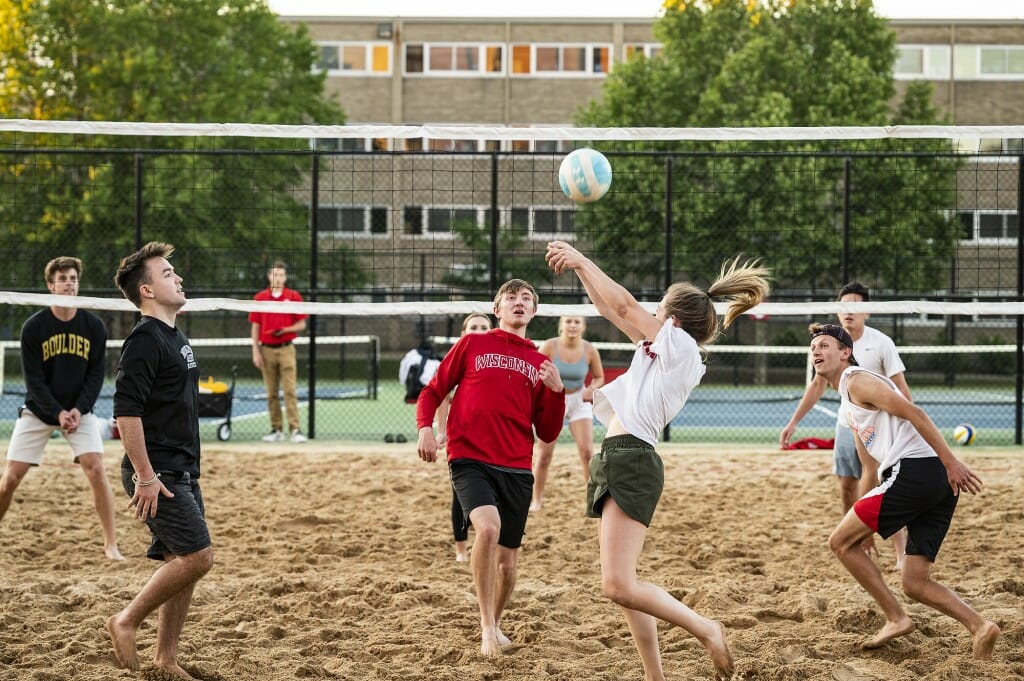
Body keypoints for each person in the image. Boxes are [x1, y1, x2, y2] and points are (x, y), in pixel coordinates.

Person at [546, 240, 769, 681]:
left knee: (618, 585)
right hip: (619, 457)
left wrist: (582, 259)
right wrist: (581, 272)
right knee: (625, 586)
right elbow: (614, 311)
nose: (651, 314)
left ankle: (707, 629)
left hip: (632, 459)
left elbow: (626, 306)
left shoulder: (681, 348)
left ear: (672, 319)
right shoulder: (659, 349)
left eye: (658, 310)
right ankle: (654, 675)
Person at [810, 323, 1000, 660]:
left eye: (824, 345)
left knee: (838, 543)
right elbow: (869, 468)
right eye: (813, 347)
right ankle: (981, 626)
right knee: (915, 582)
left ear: (845, 352)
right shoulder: (848, 402)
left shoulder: (857, 379)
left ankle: (896, 618)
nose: (816, 351)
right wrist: (863, 527)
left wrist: (952, 462)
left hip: (918, 471)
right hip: (934, 483)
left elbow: (915, 411)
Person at [415, 281, 566, 657]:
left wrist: (557, 390)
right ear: (497, 309)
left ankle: (495, 623)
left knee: (508, 567)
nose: (519, 302)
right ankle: (486, 626)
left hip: (516, 466)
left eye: (527, 298)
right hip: (470, 458)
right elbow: (432, 391)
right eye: (511, 298)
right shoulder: (473, 344)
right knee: (487, 527)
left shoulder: (540, 363)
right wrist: (426, 429)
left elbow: (547, 431)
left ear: (534, 312)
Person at [106, 242, 214, 679]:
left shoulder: (173, 334)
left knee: (181, 561)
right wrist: (146, 478)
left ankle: (165, 659)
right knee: (198, 557)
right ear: (147, 290)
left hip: (182, 469)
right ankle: (125, 620)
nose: (179, 277)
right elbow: (125, 412)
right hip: (158, 472)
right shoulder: (144, 340)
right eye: (168, 273)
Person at [780, 281, 910, 570]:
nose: (849, 311)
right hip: (847, 424)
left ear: (867, 311)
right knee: (847, 485)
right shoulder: (824, 344)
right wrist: (793, 422)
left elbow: (901, 389)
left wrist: (908, 422)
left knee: (882, 486)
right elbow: (816, 386)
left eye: (856, 305)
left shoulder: (880, 343)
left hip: (878, 430)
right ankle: (854, 538)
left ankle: (901, 552)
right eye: (844, 305)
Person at [0, 256, 123, 561]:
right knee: (11, 478)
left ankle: (111, 544)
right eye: (63, 279)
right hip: (40, 411)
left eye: (73, 278)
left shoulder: (93, 326)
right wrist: (57, 413)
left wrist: (80, 410)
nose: (69, 284)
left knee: (95, 468)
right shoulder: (34, 327)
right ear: (50, 285)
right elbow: (35, 382)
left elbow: (96, 376)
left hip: (79, 411)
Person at [434, 312, 493, 562]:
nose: (478, 331)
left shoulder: (497, 357)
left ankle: (488, 540)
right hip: (463, 436)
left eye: (483, 327)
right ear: (463, 333)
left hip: (492, 435)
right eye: (473, 327)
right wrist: (440, 430)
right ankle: (461, 549)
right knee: (460, 493)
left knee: (493, 491)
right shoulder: (456, 357)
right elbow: (441, 395)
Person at [530, 315, 605, 511]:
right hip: (554, 399)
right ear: (561, 326)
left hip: (579, 400)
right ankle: (536, 500)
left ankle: (593, 500)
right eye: (568, 321)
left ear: (583, 326)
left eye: (577, 321)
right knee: (544, 454)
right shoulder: (549, 346)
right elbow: (534, 374)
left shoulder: (589, 349)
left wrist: (592, 388)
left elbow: (599, 377)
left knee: (587, 452)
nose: (572, 325)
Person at [249, 261, 308, 443]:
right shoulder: (260, 298)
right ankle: (276, 430)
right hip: (266, 350)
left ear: (286, 277)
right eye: (275, 275)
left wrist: (285, 330)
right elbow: (255, 326)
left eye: (281, 275)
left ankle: (295, 430)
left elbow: (302, 324)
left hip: (286, 349)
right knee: (271, 392)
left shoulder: (293, 296)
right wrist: (256, 351)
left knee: (290, 391)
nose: (278, 278)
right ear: (269, 276)